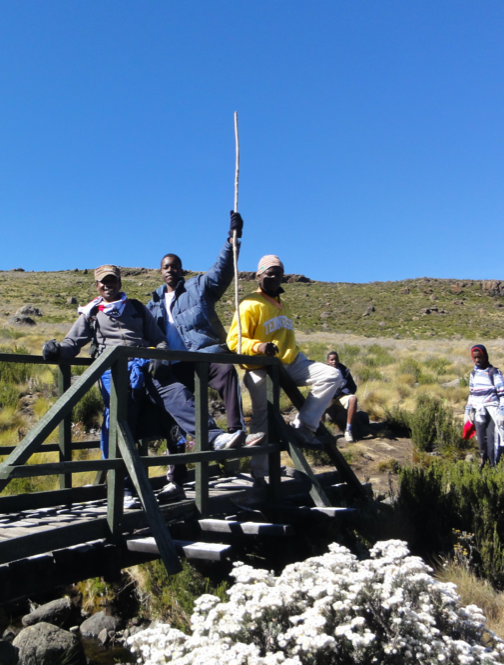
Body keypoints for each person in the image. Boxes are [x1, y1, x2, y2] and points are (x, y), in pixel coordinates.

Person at [44, 265, 206, 502]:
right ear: (97, 285)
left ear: (120, 282)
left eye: (112, 280)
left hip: (144, 367)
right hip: (112, 371)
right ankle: (124, 489)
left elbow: (159, 340)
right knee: (118, 422)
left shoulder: (137, 308)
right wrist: (55, 350)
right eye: (102, 282)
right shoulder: (91, 313)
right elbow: (72, 343)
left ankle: (180, 475)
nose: (107, 285)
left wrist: (160, 357)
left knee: (169, 411)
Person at [227, 255, 345, 479]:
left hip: (291, 362)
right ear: (258, 275)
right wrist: (259, 347)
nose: (273, 276)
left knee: (331, 375)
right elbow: (234, 341)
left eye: (278, 272)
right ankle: (259, 474)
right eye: (268, 272)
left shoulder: (284, 305)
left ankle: (303, 426)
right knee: (263, 418)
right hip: (260, 367)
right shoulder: (249, 303)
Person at [150, 211, 251, 451]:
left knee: (226, 371)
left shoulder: (197, 287)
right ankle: (177, 469)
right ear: (160, 271)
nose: (170, 270)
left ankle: (236, 430)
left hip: (204, 353)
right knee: (175, 404)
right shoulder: (152, 304)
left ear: (181, 270)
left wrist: (231, 241)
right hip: (175, 363)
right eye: (166, 267)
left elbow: (221, 272)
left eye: (175, 266)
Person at [463, 344, 504, 466]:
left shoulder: (494, 372)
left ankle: (494, 468)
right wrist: (467, 411)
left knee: (493, 443)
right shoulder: (473, 374)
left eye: (479, 357)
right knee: (481, 443)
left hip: (492, 412)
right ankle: (484, 467)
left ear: (485, 356)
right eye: (474, 358)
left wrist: (502, 413)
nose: (477, 360)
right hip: (478, 413)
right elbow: (472, 394)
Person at [322, 350, 362, 443]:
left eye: (336, 359)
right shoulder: (323, 372)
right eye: (331, 360)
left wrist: (343, 392)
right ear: (328, 361)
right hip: (329, 397)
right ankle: (322, 430)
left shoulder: (344, 371)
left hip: (341, 397)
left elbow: (353, 387)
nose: (334, 361)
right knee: (320, 400)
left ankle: (348, 430)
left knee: (353, 399)